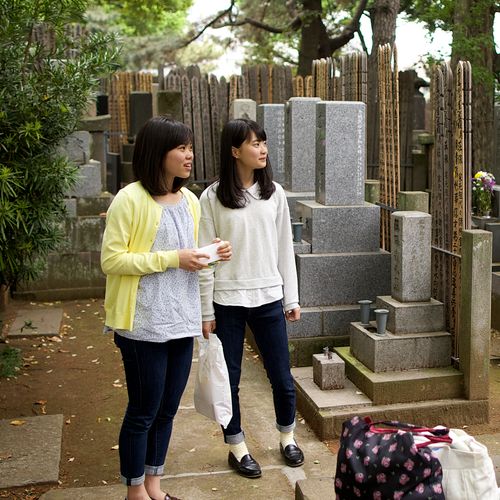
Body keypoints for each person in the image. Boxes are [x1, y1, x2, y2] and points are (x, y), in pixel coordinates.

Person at [101, 116, 231, 500]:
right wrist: (172, 258)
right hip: (142, 324)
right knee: (143, 410)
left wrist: (213, 255)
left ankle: (155, 486)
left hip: (182, 320)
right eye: (181, 148)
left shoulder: (189, 200)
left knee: (167, 410)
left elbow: (189, 259)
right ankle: (135, 491)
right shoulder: (129, 199)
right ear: (159, 154)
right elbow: (112, 261)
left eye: (190, 148)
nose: (189, 155)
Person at [198, 118, 304, 479]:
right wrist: (205, 310)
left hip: (268, 297)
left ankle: (287, 438)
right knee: (229, 380)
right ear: (234, 150)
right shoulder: (211, 198)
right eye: (254, 143)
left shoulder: (274, 193)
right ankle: (237, 446)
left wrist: (291, 298)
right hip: (227, 301)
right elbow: (204, 259)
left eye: (264, 142)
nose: (262, 149)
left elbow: (283, 249)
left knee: (282, 376)